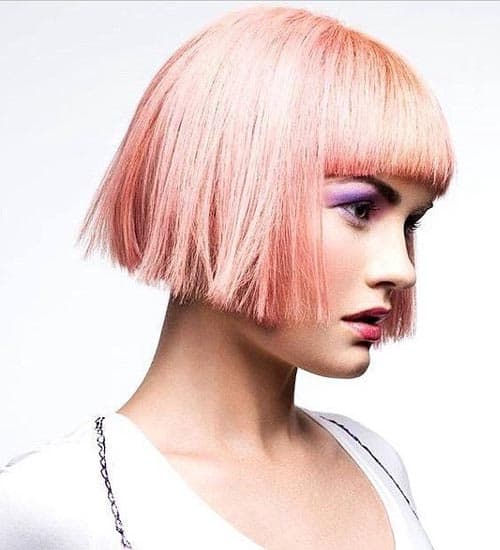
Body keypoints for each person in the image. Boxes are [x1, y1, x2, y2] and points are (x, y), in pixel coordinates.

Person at [0, 5, 454, 549]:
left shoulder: (375, 461)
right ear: (224, 197)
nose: (402, 269)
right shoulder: (56, 504)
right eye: (359, 209)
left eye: (410, 222)